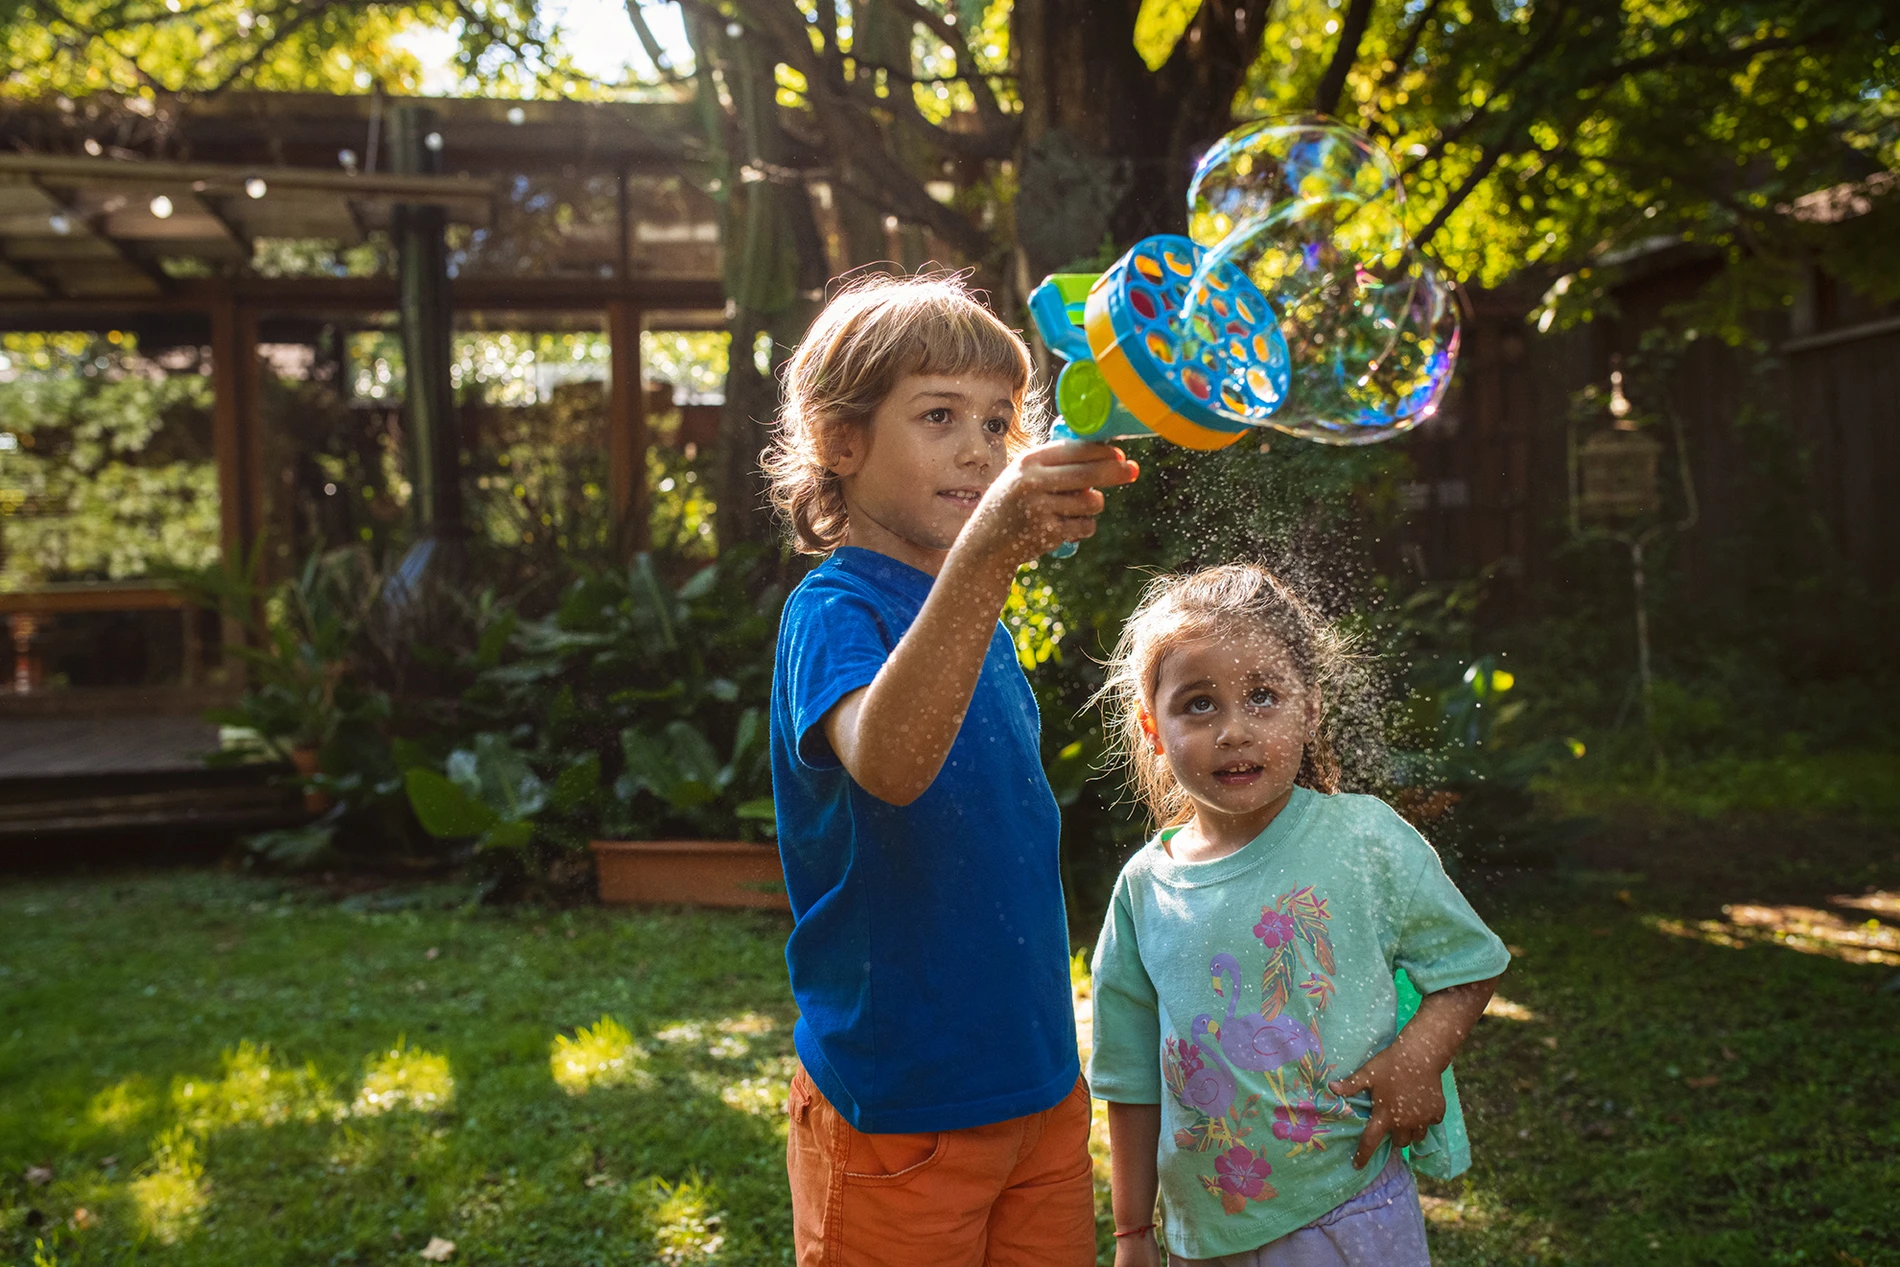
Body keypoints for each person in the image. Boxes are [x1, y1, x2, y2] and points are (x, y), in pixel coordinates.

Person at [764, 272, 1140, 1266]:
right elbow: (890, 762)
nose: (980, 445)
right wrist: (991, 556)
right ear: (840, 444)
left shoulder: (982, 620)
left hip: (1036, 1084)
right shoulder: (835, 611)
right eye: (938, 415)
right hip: (902, 1104)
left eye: (999, 418)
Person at [1087, 564, 1510, 1267]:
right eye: (1198, 704)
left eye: (1262, 696)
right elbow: (1128, 1078)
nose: (1233, 730)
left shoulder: (1362, 840)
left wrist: (1417, 1057)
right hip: (1203, 1236)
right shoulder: (1144, 890)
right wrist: (1133, 1232)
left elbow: (1470, 965)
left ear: (1309, 708)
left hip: (1347, 1206)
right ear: (1151, 728)